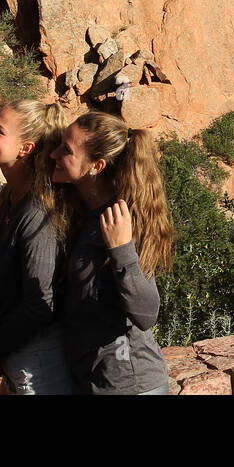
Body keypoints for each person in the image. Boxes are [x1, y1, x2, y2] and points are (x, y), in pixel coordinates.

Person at [49, 111, 174, 394]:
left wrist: (122, 250)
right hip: (97, 382)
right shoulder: (89, 215)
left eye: (66, 150)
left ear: (96, 165)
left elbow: (146, 313)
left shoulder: (119, 222)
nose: (54, 154)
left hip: (129, 384)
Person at [0, 99, 73, 394]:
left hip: (39, 361)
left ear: (26, 148)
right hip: (21, 354)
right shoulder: (10, 196)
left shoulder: (37, 209)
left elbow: (40, 303)